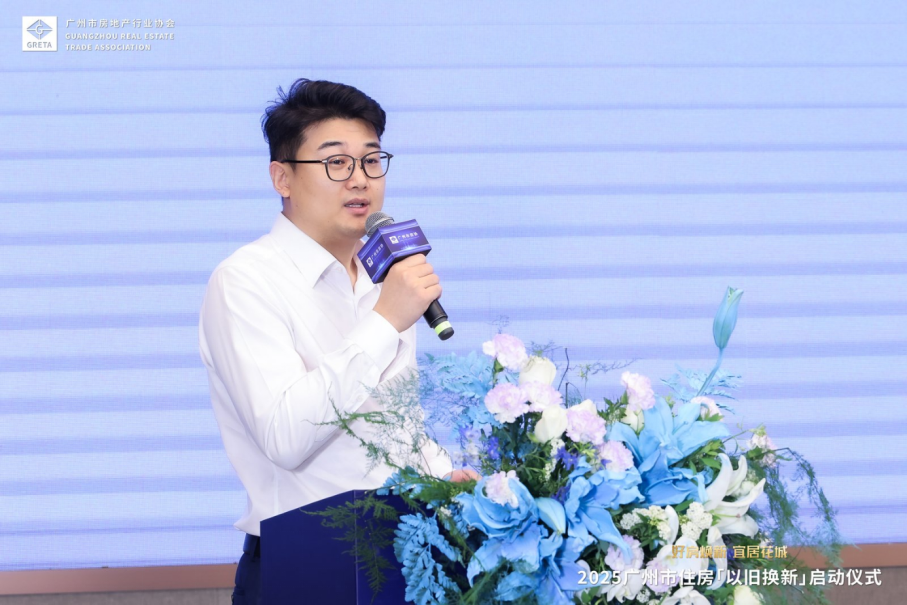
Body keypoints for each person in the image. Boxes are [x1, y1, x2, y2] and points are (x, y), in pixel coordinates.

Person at [198, 79, 470, 604]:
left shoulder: (382, 277)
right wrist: (385, 322)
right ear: (282, 177)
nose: (360, 179)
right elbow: (285, 436)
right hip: (304, 565)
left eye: (371, 160)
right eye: (336, 163)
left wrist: (443, 477)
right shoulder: (245, 281)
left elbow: (394, 423)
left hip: (402, 558)